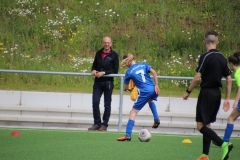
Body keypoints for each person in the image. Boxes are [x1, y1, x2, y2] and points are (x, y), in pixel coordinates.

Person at [183, 30, 233, 160]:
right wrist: (227, 98)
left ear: (204, 42)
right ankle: (205, 155)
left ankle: (223, 144)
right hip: (217, 93)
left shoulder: (205, 57)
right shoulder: (222, 57)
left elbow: (197, 78)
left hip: (206, 93)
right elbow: (228, 80)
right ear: (218, 42)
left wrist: (188, 91)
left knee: (200, 126)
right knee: (207, 125)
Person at [117, 53, 160, 141]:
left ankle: (127, 135)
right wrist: (156, 85)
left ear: (127, 62)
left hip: (144, 91)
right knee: (150, 100)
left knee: (133, 112)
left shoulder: (128, 72)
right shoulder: (143, 64)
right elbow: (154, 72)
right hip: (152, 87)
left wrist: (128, 89)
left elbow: (126, 87)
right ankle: (156, 119)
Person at [88, 36, 119, 131]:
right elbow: (94, 65)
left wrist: (104, 72)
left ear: (111, 43)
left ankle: (104, 124)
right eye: (105, 42)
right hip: (97, 82)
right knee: (95, 102)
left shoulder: (114, 55)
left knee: (107, 104)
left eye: (108, 42)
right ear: (102, 43)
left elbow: (115, 70)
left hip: (108, 82)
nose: (106, 44)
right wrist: (93, 70)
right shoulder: (98, 53)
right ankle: (97, 123)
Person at [215, 52, 240, 145]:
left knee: (230, 118)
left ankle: (225, 141)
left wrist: (236, 101)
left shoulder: (238, 73)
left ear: (230, 64)